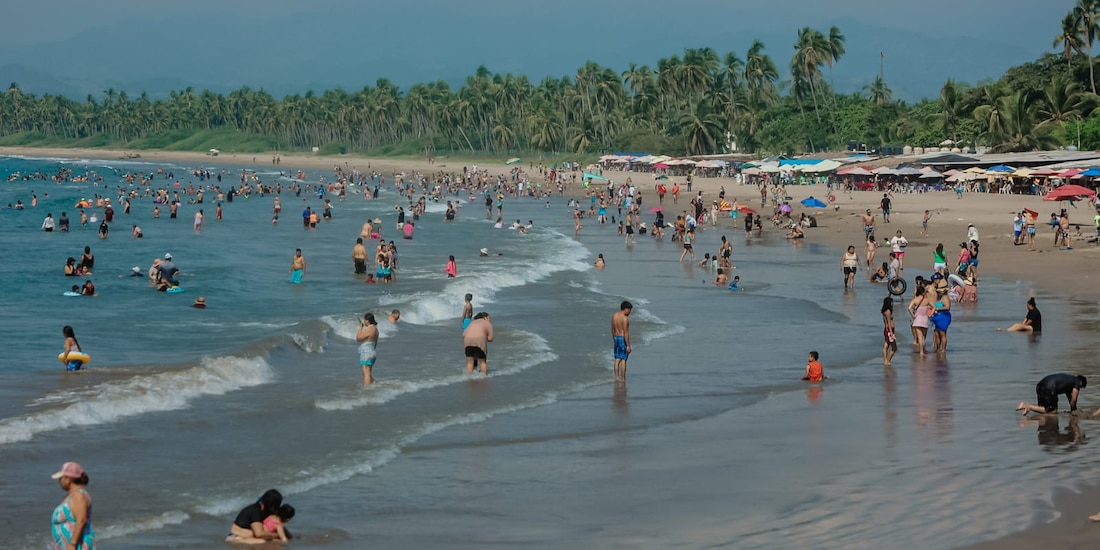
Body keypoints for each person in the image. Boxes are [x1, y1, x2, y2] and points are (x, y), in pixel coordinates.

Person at [51, 461, 94, 550]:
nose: (60, 481)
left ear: (68, 479)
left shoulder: (79, 495)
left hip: (76, 546)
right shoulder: (73, 495)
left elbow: (81, 520)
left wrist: (72, 544)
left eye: (61, 478)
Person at [1017, 373, 1087, 416]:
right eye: (1081, 387)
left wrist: (1073, 410)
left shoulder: (1069, 381)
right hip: (1049, 387)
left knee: (1044, 410)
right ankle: (1027, 406)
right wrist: (1074, 411)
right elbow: (1074, 400)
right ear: (1081, 383)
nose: (1079, 388)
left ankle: (1027, 417)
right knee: (1052, 412)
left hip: (1040, 385)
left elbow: (1070, 398)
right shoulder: (1077, 382)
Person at [357, 313, 380, 386]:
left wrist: (360, 328)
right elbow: (375, 343)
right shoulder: (376, 330)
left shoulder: (370, 329)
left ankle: (366, 390)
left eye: (365, 320)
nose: (364, 322)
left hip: (366, 352)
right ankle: (374, 384)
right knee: (368, 373)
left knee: (366, 373)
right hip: (372, 352)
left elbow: (358, 338)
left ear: (367, 321)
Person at [612, 301, 632, 381]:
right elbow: (626, 333)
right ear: (626, 309)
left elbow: (612, 329)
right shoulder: (625, 319)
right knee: (623, 359)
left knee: (617, 358)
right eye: (629, 310)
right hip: (622, 338)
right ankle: (623, 378)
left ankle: (616, 377)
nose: (630, 312)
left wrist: (614, 338)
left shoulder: (614, 316)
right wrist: (628, 345)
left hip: (616, 337)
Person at [882, 296, 897, 366]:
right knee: (894, 348)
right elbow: (888, 322)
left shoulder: (884, 311)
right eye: (891, 302)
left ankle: (885, 360)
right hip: (889, 330)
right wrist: (891, 333)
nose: (892, 304)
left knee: (886, 346)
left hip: (886, 330)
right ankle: (887, 360)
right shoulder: (888, 311)